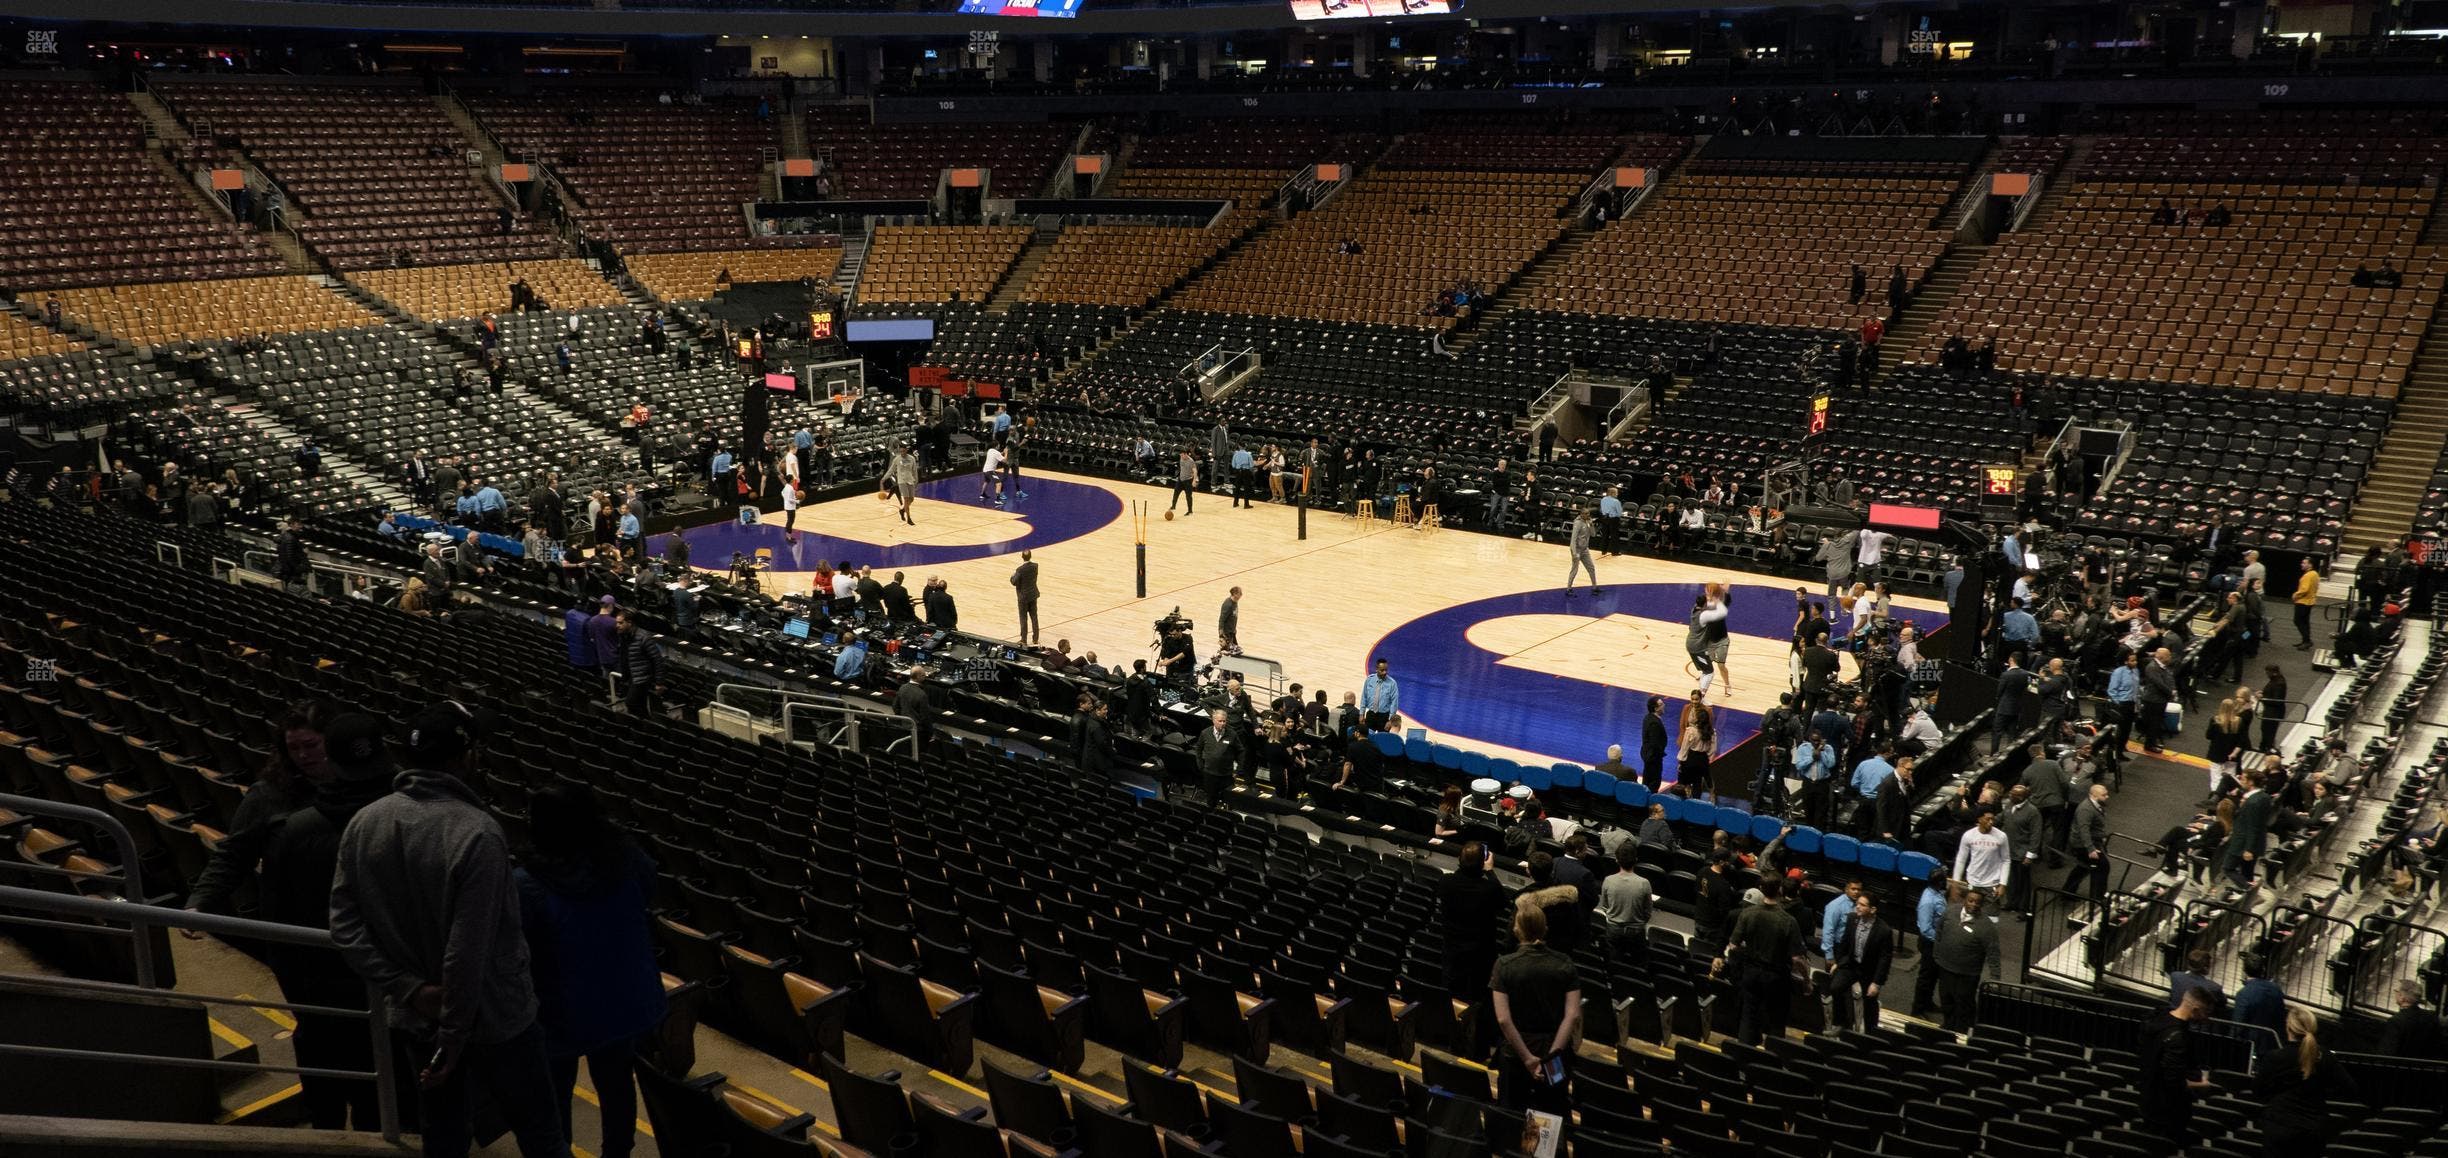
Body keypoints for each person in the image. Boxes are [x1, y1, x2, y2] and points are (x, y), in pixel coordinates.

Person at [329, 701, 569, 1158]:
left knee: (443, 1134)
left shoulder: (365, 822)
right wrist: (453, 1038)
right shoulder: (477, 833)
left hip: (418, 1017)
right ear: (468, 757)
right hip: (496, 1022)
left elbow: (344, 926)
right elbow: (467, 948)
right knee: (542, 1136)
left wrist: (409, 989)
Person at [237, 712, 392, 1130]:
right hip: (332, 970)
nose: (304, 756)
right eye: (295, 748)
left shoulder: (301, 827)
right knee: (350, 1071)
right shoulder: (279, 807)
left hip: (332, 968)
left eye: (312, 746)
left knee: (348, 1070)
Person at [514, 786, 664, 1158]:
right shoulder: (626, 859)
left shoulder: (526, 883)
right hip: (622, 999)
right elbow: (650, 888)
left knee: (556, 1094)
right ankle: (618, 1153)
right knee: (616, 1084)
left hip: (558, 1009)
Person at [1491, 898, 1580, 1110]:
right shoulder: (1565, 964)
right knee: (1550, 1112)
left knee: (1512, 1110)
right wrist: (1552, 1055)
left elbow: (1504, 1020)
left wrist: (1528, 1058)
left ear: (1516, 930)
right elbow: (1573, 1015)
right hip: (1555, 1055)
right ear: (1545, 929)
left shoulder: (1504, 965)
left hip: (1516, 1054)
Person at [2253, 1005, 2354, 1158]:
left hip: (2279, 1126)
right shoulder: (2325, 1057)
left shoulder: (2276, 1057)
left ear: (2288, 1027)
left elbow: (2258, 1090)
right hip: (2313, 1129)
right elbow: (2350, 1089)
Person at [1716, 875, 1804, 1046]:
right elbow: (1797, 958)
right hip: (1776, 976)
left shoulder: (1748, 913)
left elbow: (1733, 944)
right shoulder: (1788, 921)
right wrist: (1806, 980)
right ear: (1779, 891)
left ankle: (1744, 1053)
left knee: (1749, 1015)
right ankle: (1773, 1056)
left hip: (1751, 973)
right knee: (1776, 1019)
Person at [2139, 985, 2220, 1151]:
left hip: (2148, 1100)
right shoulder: (2178, 1039)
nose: (2207, 1019)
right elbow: (2174, 1083)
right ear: (2196, 1009)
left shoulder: (2157, 1018)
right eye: (2207, 1013)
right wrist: (2202, 1085)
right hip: (2167, 1112)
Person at [1440, 842, 1505, 1000]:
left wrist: (1466, 863)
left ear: (1459, 860)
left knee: (1454, 989)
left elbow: (1459, 875)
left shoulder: (1446, 882)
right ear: (1483, 863)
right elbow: (1503, 903)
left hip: (1453, 948)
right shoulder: (1489, 888)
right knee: (1479, 992)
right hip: (1482, 951)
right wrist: (1490, 872)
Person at [1824, 889, 1894, 1031]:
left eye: (1862, 905)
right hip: (1851, 964)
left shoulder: (1884, 930)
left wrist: (1876, 983)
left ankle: (1871, 1032)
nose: (1857, 907)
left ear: (1873, 909)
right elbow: (1844, 943)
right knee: (1835, 987)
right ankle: (1841, 1023)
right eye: (1857, 904)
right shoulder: (1852, 919)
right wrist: (1838, 963)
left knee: (1870, 1002)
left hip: (1869, 970)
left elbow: (1884, 960)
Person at [1931, 887, 1999, 1032]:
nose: (1974, 904)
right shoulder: (1950, 911)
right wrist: (1936, 954)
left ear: (1982, 905)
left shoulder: (1986, 926)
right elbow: (1939, 931)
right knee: (1947, 999)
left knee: (1964, 1003)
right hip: (1945, 967)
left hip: (1967, 973)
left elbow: (1993, 952)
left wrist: (1995, 977)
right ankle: (1948, 1025)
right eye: (1971, 901)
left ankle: (1963, 1032)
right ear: (1965, 900)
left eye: (1977, 902)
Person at [1595, 843, 1652, 963]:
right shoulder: (1644, 883)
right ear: (1636, 860)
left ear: (1617, 860)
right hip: (1636, 930)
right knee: (1638, 963)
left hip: (1614, 928)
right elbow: (1647, 911)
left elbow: (1604, 906)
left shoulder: (1608, 880)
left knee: (1615, 961)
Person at [2379, 978, 2444, 1059]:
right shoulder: (2431, 1016)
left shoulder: (2396, 1021)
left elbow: (2387, 1052)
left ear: (2402, 997)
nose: (2395, 994)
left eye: (2396, 991)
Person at [1194, 708, 1240, 805]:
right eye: (1220, 721)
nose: (1223, 723)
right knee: (1211, 799)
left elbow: (1241, 751)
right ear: (1213, 720)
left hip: (1226, 774)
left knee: (1228, 800)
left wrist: (1238, 770)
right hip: (1209, 773)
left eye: (1224, 721)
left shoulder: (1232, 734)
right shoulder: (1205, 733)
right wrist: (1201, 765)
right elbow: (1198, 749)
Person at [1564, 507, 1602, 596]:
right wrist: (1574, 553)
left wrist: (1591, 524)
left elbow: (1593, 534)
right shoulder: (1577, 523)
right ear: (1581, 514)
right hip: (1577, 550)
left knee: (1591, 568)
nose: (1588, 515)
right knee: (1575, 570)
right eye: (1586, 514)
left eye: (1589, 513)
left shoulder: (1588, 522)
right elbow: (1573, 539)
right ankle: (1568, 589)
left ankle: (1594, 587)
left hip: (1585, 549)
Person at [1010, 550, 1040, 645]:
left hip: (1023, 598)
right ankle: (1035, 638)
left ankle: (1023, 639)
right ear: (1030, 556)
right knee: (1034, 617)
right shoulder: (1035, 566)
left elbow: (1014, 582)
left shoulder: (1020, 570)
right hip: (1033, 595)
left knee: (1023, 618)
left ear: (1022, 557)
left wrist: (1012, 576)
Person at [1359, 658, 1399, 732]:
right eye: (1382, 670)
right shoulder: (1369, 680)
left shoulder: (1392, 683)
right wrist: (1361, 714)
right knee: (1368, 739)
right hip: (1371, 714)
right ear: (1376, 669)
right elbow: (1364, 697)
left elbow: (1394, 704)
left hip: (1384, 717)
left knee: (1382, 740)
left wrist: (1390, 721)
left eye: (1386, 670)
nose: (1384, 672)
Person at [1639, 695, 1669, 794]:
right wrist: (1658, 754)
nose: (1664, 705)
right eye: (1661, 704)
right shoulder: (1654, 723)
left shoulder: (1648, 717)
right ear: (1655, 708)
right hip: (1653, 758)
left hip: (1648, 756)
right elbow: (1655, 743)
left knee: (1647, 780)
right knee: (1653, 783)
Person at [2293, 557, 2321, 649]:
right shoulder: (2315, 574)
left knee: (2298, 621)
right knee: (2305, 622)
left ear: (2310, 565)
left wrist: (2295, 595)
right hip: (2310, 601)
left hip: (2303, 602)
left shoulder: (2308, 575)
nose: (2302, 564)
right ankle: (2305, 640)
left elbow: (2304, 590)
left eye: (2304, 563)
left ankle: (2307, 641)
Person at [1169, 447, 1199, 515]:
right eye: (1180, 455)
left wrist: (1194, 481)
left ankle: (1190, 511)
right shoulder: (1181, 458)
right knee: (1176, 493)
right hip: (1181, 479)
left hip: (1188, 481)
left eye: (1182, 455)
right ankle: (1173, 506)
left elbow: (1195, 471)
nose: (1181, 456)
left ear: (1186, 454)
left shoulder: (1191, 461)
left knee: (1188, 496)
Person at [1218, 587, 1242, 656]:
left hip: (1232, 632)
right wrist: (1221, 636)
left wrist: (1234, 629)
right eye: (1240, 593)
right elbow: (1221, 620)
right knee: (1227, 653)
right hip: (1227, 634)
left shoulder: (1235, 602)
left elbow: (1233, 618)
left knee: (1234, 651)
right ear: (1234, 594)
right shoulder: (1228, 605)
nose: (1241, 595)